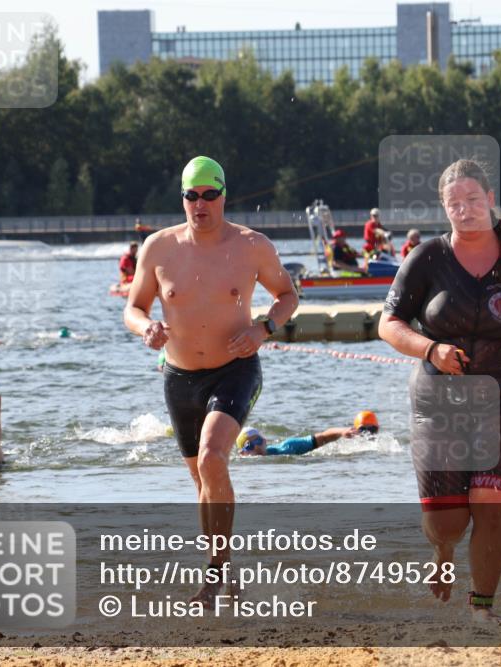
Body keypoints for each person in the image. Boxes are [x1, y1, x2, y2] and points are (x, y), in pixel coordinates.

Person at [378, 159, 501, 622]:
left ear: (491, 200)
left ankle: (482, 609)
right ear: (445, 209)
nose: (464, 210)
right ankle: (443, 555)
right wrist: (430, 350)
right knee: (448, 523)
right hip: (438, 399)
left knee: (491, 507)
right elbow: (388, 324)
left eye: (472, 200)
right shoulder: (425, 259)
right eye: (454, 203)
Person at [123, 155, 298, 607]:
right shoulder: (158, 248)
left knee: (212, 458)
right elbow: (133, 307)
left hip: (235, 369)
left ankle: (214, 574)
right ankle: (228, 569)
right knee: (203, 483)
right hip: (178, 376)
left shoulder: (251, 245)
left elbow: (287, 295)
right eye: (191, 195)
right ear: (182, 198)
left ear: (224, 195)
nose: (200, 204)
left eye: (209, 195)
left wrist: (263, 329)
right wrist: (145, 328)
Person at [237, 411, 380, 456]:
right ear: (242, 453)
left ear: (265, 440)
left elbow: (324, 436)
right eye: (250, 445)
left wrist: (343, 431)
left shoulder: (287, 447)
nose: (256, 447)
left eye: (258, 441)